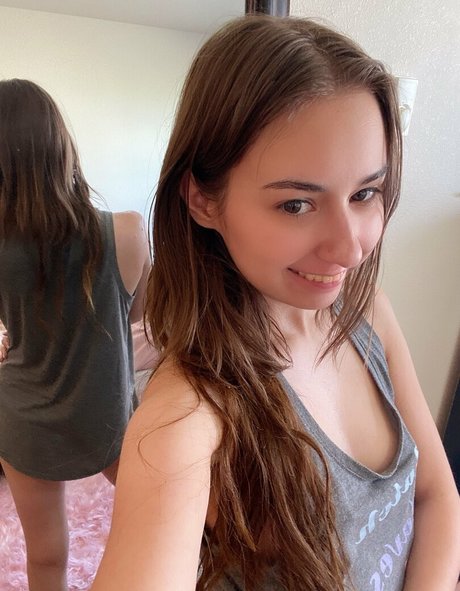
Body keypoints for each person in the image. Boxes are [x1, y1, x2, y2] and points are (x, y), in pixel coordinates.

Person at [91, 16, 460, 591]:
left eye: (365, 193)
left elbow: (437, 495)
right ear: (203, 200)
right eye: (295, 205)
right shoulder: (186, 416)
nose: (350, 248)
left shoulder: (364, 310)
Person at [0, 79, 150, 591]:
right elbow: (141, 312)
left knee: (45, 557)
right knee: (153, 526)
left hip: (23, 419)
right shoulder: (127, 231)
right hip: (105, 413)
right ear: (61, 146)